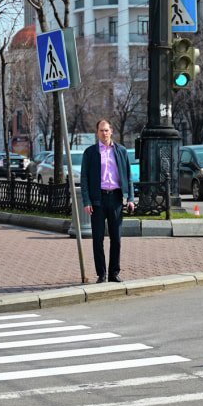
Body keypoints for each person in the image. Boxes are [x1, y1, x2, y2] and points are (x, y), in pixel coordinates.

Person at [79, 118, 135, 283]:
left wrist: (130, 198)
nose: (104, 133)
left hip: (116, 198)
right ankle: (101, 274)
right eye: (101, 130)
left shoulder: (121, 151)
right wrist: (87, 201)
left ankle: (114, 273)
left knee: (116, 238)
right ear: (97, 133)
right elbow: (84, 178)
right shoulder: (90, 153)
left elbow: (128, 177)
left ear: (112, 131)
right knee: (98, 239)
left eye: (107, 130)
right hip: (98, 200)